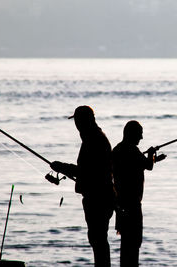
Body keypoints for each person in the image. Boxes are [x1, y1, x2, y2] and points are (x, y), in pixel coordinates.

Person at [50, 106, 115, 267]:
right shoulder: (93, 137)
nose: (76, 125)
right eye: (76, 121)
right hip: (99, 195)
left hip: (98, 197)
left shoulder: (94, 139)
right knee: (97, 239)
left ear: (88, 120)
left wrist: (62, 167)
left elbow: (87, 171)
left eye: (79, 121)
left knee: (98, 239)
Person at [112, 120, 166, 267]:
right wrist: (151, 154)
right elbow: (147, 166)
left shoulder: (117, 150)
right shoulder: (132, 150)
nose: (141, 138)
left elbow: (137, 165)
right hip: (132, 205)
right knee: (134, 242)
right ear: (131, 134)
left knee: (126, 244)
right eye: (139, 134)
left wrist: (153, 158)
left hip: (121, 204)